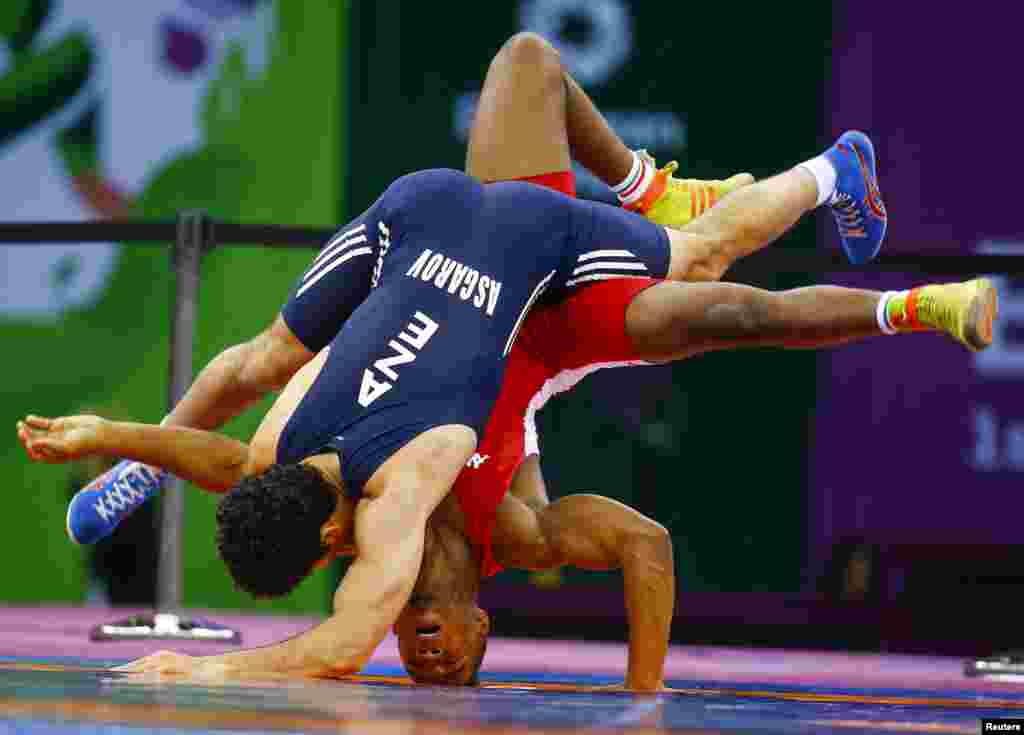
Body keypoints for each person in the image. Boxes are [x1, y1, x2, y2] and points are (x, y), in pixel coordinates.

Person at [39, 33, 900, 685]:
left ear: (333, 536)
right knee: (268, 355)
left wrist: (209, 670)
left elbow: (342, 641)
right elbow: (231, 462)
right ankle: (731, 186)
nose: (424, 641)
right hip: (427, 230)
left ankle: (818, 177)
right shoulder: (297, 450)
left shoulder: (412, 483)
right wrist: (119, 435)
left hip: (525, 253)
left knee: (710, 268)